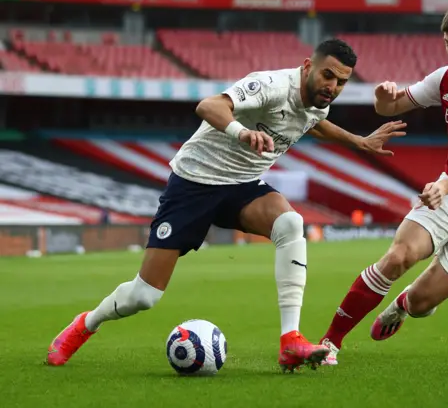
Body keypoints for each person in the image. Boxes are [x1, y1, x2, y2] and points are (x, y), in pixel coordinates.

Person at [46, 38, 407, 373]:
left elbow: (316, 123)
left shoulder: (314, 103)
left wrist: (359, 142)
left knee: (290, 224)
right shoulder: (271, 85)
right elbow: (209, 105)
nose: (332, 86)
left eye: (341, 82)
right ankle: (85, 324)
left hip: (241, 187)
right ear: (307, 66)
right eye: (328, 75)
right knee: (144, 296)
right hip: (193, 185)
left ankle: (290, 340)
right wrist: (242, 132)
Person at [319, 1, 448, 365]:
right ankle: (329, 343)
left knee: (421, 303)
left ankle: (403, 304)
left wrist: (446, 186)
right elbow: (391, 108)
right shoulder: (446, 77)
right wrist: (383, 99)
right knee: (398, 256)